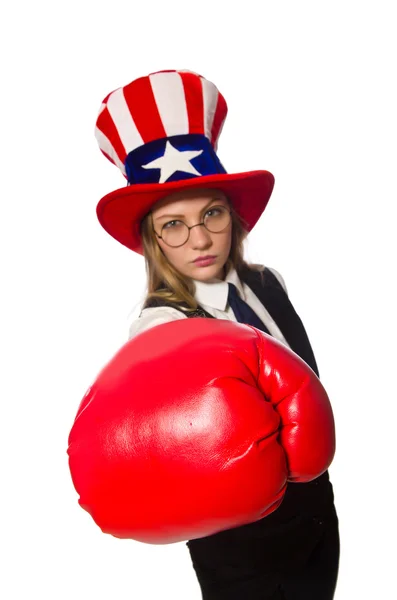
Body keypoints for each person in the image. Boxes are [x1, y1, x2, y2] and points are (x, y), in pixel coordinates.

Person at [93, 69, 340, 599]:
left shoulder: (268, 283)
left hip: (318, 514)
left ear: (234, 216)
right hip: (240, 548)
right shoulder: (159, 329)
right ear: (154, 242)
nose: (200, 238)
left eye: (212, 213)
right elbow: (166, 462)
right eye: (174, 225)